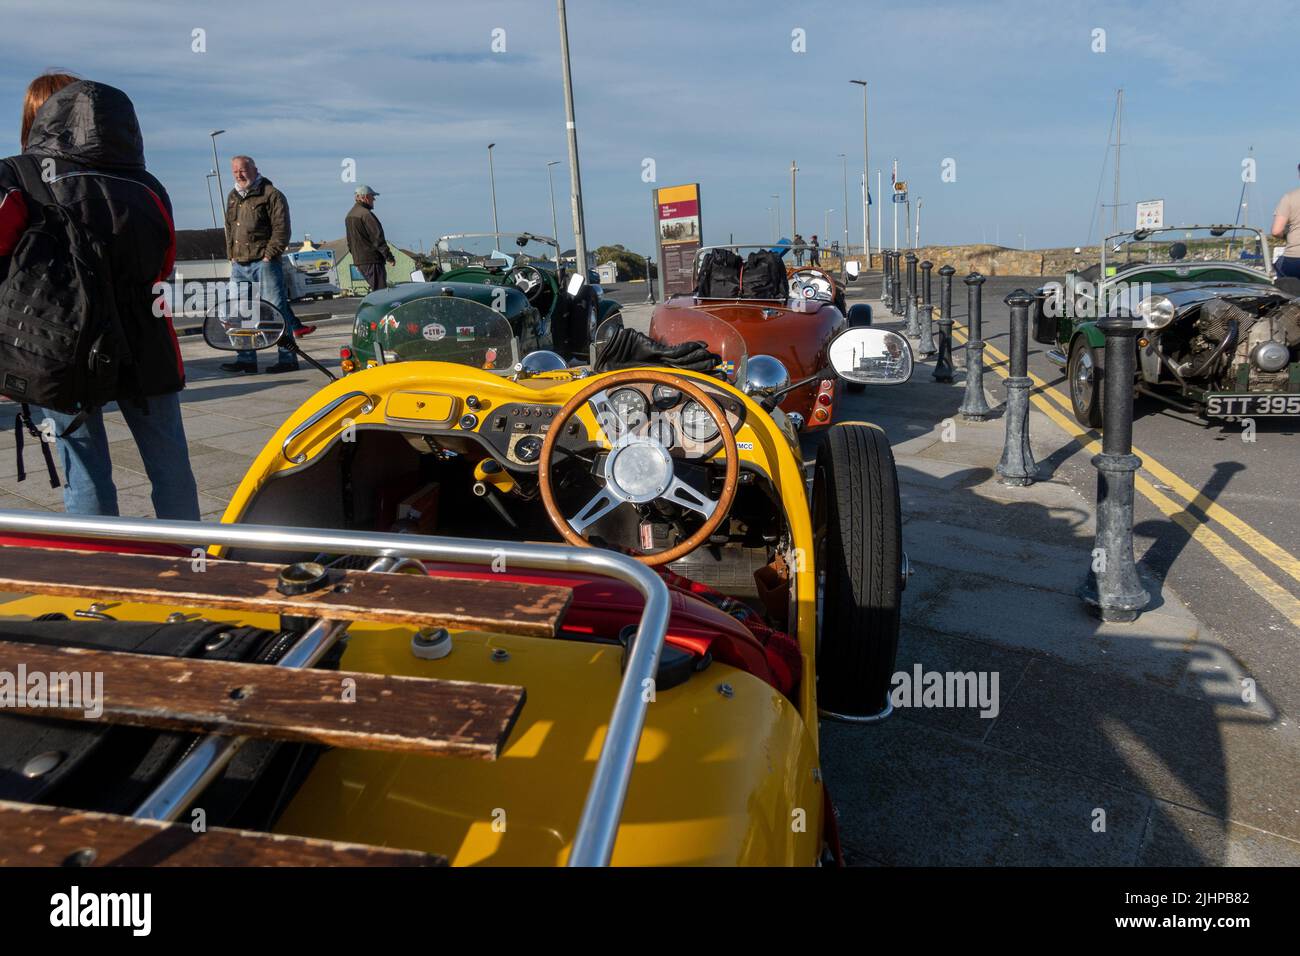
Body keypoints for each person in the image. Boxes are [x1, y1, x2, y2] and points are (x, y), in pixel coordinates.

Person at [0, 73, 199, 520]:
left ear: (38, 116)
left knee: (86, 471)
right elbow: (163, 264)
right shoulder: (146, 183)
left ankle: (102, 570)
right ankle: (190, 564)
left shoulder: (17, 173)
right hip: (148, 343)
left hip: (60, 342)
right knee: (171, 467)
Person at [220, 155, 312, 374]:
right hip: (239, 264)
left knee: (276, 311)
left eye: (242, 170)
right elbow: (229, 228)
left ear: (254, 169)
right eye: (234, 172)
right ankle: (246, 359)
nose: (239, 175)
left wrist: (269, 256)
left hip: (265, 263)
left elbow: (282, 229)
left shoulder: (271, 195)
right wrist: (231, 254)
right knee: (241, 312)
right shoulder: (233, 196)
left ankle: (288, 358)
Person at [345, 184, 395, 292]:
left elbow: (349, 243)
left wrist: (357, 259)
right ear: (365, 197)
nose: (374, 200)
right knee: (380, 292)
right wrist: (389, 257)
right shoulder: (366, 215)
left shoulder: (349, 215)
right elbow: (378, 239)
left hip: (360, 261)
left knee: (376, 290)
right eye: (372, 197)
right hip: (372, 260)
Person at [1270, 166, 1300, 280]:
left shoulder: (1289, 198)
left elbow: (1276, 231)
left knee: (1279, 266)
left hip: (1295, 258)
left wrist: (1286, 236)